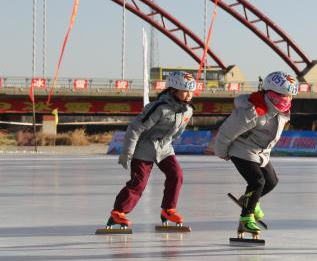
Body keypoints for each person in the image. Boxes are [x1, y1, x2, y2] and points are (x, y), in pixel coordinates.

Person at [214, 71, 298, 238]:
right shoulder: (252, 111)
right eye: (283, 95)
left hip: (261, 152)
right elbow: (226, 132)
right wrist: (221, 152)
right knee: (257, 181)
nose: (287, 100)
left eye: (290, 96)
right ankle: (246, 218)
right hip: (241, 150)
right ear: (270, 93)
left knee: (271, 182)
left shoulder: (281, 111)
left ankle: (249, 201)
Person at [107, 71, 195, 230]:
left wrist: (166, 144)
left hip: (165, 148)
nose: (189, 95)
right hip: (144, 148)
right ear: (172, 90)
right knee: (138, 183)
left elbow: (177, 132)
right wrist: (127, 153)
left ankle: (168, 209)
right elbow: (135, 128)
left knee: (177, 174)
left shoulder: (188, 111)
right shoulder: (158, 108)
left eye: (191, 92)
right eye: (185, 91)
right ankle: (118, 212)